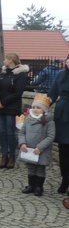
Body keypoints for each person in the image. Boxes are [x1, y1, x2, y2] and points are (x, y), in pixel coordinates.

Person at [0, 53, 29, 170]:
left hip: (12, 107)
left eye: (6, 59)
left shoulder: (21, 75)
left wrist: (3, 102)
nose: (4, 61)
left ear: (11, 60)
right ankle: (4, 155)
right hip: (0, 107)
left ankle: (12, 155)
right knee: (2, 132)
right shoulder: (3, 73)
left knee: (10, 132)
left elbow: (18, 93)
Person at [19, 94, 55, 196]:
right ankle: (31, 185)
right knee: (30, 167)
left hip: (41, 150)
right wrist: (22, 143)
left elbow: (50, 136)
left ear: (44, 110)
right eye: (34, 107)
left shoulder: (49, 122)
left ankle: (39, 187)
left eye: (38, 108)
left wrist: (40, 147)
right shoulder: (28, 119)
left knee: (40, 168)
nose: (35, 110)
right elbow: (22, 132)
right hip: (29, 149)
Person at [49, 55, 69, 194]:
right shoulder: (61, 74)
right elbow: (52, 94)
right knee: (63, 149)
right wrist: (39, 108)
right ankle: (65, 179)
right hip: (63, 114)